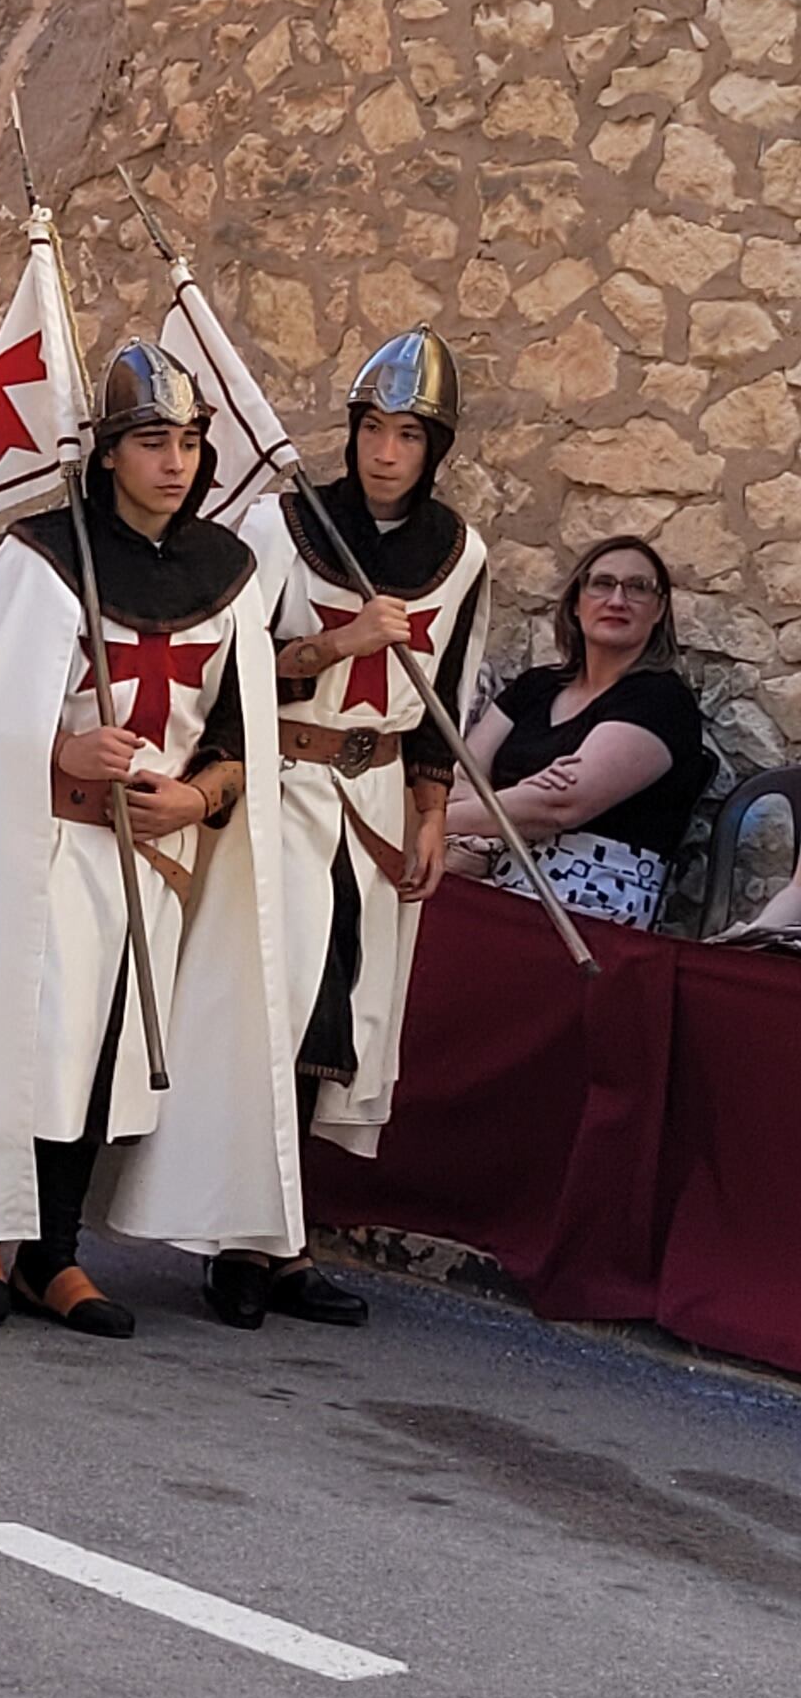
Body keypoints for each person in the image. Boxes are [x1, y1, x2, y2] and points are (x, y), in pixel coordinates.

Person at [0, 343, 295, 1340]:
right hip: (43, 843)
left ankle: (55, 1255)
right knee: (28, 1038)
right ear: (109, 453)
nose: (175, 461)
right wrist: (66, 746)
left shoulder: (228, 572)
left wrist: (199, 800)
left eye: (190, 442)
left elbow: (244, 729)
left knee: (104, 1053)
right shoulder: (42, 558)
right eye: (153, 441)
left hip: (156, 854)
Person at [231, 328, 491, 1326]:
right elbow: (233, 665)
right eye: (374, 430)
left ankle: (284, 1246)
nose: (387, 453)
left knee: (343, 1013)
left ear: (436, 450)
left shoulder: (458, 553)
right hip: (287, 785)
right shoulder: (281, 528)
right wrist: (338, 641)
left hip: (378, 801)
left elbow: (442, 697)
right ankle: (241, 1240)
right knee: (281, 1002)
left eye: (409, 437)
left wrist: (432, 811)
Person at [446, 533, 712, 929]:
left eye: (638, 588)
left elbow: (560, 807)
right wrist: (522, 797)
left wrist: (439, 820)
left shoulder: (660, 700)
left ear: (659, 610)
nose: (618, 600)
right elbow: (462, 775)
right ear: (575, 602)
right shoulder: (536, 687)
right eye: (602, 584)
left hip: (592, 907)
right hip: (497, 880)